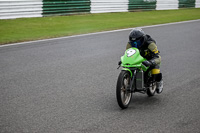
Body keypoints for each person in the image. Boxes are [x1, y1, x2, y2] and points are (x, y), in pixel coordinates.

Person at [125, 28, 163, 93]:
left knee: (155, 71)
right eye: (133, 43)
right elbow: (127, 54)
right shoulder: (129, 44)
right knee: (127, 66)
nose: (135, 45)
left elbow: (158, 57)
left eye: (137, 42)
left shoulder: (150, 44)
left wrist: (151, 62)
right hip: (138, 59)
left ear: (142, 39)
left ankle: (159, 83)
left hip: (150, 59)